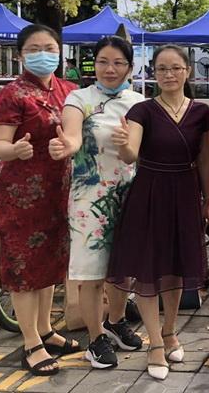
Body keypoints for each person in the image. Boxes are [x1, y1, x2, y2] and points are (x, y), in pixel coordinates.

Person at [106, 45, 209, 381]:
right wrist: (123, 144)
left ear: (188, 71)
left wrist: (206, 198)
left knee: (176, 268)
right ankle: (154, 343)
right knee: (148, 270)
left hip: (186, 192)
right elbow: (130, 154)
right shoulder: (143, 110)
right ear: (153, 72)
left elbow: (205, 158)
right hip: (150, 193)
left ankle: (170, 331)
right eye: (162, 68)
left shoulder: (201, 112)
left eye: (175, 68)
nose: (169, 74)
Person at [0, 24, 81, 376]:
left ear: (60, 52)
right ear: (20, 55)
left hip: (59, 191)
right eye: (34, 49)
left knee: (50, 265)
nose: (44, 54)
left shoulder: (69, 91)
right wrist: (14, 150)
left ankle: (45, 329)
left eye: (50, 48)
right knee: (24, 268)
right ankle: (30, 342)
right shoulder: (11, 95)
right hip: (21, 195)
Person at [48, 36, 144, 369]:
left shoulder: (139, 103)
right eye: (103, 61)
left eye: (118, 63)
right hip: (89, 199)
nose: (110, 69)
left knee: (122, 267)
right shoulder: (79, 98)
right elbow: (73, 135)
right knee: (91, 271)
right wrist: (68, 146)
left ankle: (116, 321)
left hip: (128, 194)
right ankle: (96, 337)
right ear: (94, 64)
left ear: (130, 67)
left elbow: (142, 150)